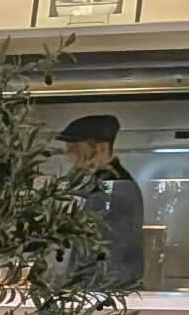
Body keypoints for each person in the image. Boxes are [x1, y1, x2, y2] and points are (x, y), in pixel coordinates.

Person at [60, 113, 144, 290]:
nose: (72, 159)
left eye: (77, 151)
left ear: (102, 149)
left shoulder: (114, 186)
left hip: (104, 288)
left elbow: (109, 246)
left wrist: (85, 286)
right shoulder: (106, 182)